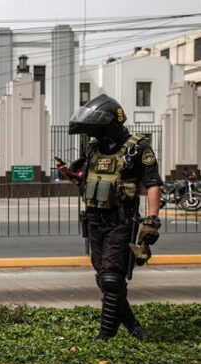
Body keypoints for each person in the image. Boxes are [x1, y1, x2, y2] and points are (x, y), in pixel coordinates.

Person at [59, 94, 162, 342]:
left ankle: (105, 336)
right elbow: (85, 181)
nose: (94, 134)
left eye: (97, 129)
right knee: (105, 279)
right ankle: (134, 327)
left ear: (109, 124)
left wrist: (152, 220)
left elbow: (153, 184)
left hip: (121, 221)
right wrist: (69, 175)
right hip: (94, 222)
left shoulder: (138, 148)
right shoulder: (93, 149)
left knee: (112, 278)